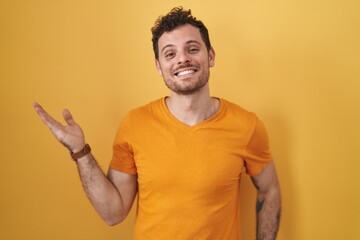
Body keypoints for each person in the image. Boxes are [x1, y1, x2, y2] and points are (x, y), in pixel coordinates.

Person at [34, 7, 281, 240]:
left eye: (192, 49)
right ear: (159, 67)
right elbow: (113, 213)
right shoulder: (135, 125)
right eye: (170, 53)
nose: (182, 59)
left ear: (211, 55)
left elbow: (269, 190)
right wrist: (80, 151)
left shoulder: (246, 126)